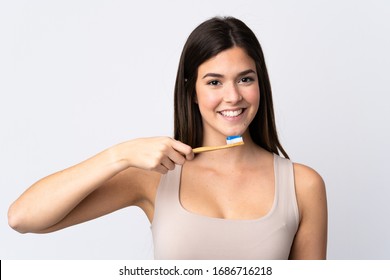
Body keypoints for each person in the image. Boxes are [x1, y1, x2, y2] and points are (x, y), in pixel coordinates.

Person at [8, 16, 327, 259]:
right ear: (191, 91)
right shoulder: (155, 177)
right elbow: (23, 218)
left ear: (261, 85)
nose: (233, 96)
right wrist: (119, 155)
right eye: (214, 82)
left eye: (245, 79)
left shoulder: (302, 185)